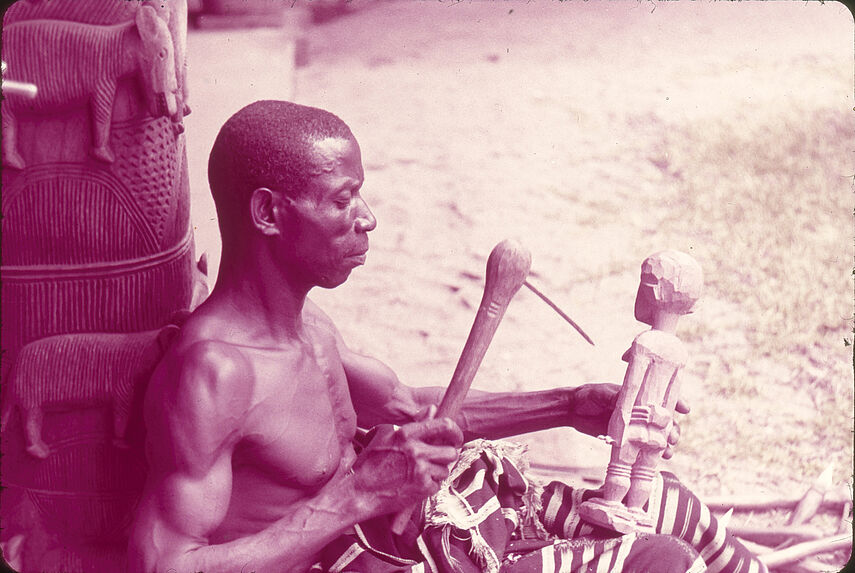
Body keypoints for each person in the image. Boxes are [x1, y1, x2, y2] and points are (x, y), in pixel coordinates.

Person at [128, 100, 763, 573]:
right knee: (655, 562)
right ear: (268, 213)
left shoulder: (308, 325)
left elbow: (415, 414)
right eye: (342, 200)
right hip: (364, 562)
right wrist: (354, 497)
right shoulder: (213, 374)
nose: (368, 220)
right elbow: (163, 564)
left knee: (675, 508)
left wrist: (570, 405)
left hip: (414, 534)